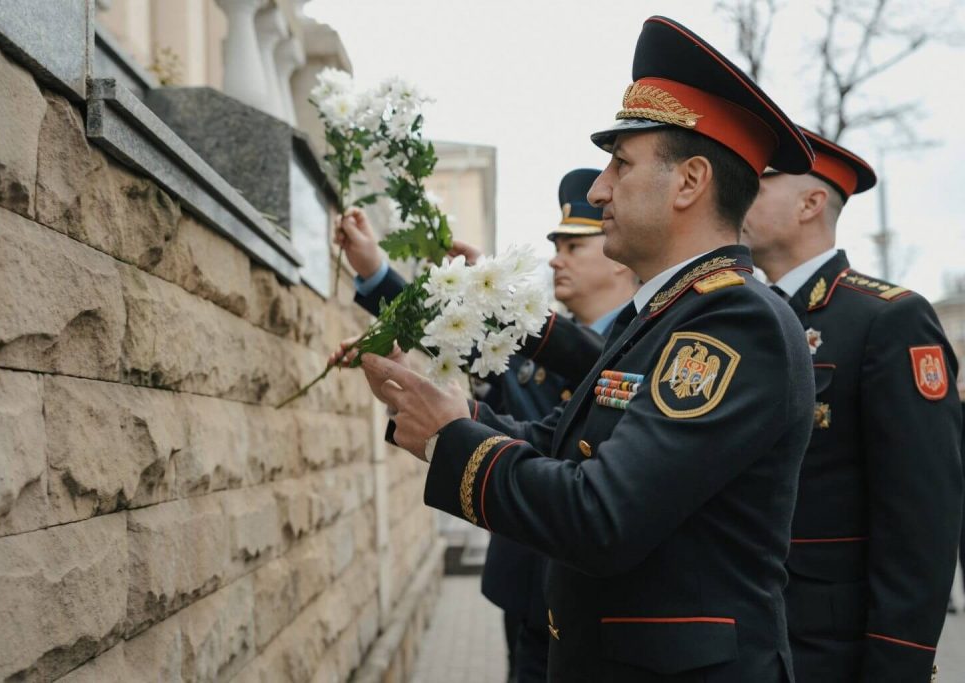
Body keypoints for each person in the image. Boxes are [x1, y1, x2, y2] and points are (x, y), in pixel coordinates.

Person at [346, 16, 817, 681]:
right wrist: (447, 418)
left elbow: (602, 515)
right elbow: (560, 440)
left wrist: (452, 439)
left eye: (621, 163)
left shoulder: (735, 320)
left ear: (690, 182)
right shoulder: (670, 312)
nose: (599, 190)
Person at [335, 169, 639, 683]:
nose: (555, 258)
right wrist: (375, 273)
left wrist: (492, 295)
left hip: (594, 596)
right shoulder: (530, 351)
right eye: (555, 244)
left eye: (574, 245)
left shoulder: (632, 347)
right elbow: (447, 335)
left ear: (615, 260)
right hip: (524, 581)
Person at [741, 128, 963, 682]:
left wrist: (898, 664)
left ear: (811, 203)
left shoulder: (886, 319)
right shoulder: (747, 317)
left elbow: (922, 516)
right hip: (747, 635)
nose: (740, 196)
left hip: (833, 650)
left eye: (759, 185)